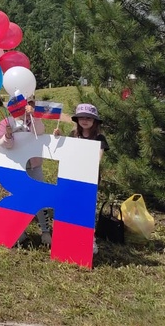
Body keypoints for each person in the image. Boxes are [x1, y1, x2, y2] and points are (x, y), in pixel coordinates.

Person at [0, 94, 51, 245]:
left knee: (39, 197)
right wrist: (7, 135)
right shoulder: (5, 122)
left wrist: (36, 117)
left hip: (34, 165)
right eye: (16, 107)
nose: (20, 109)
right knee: (16, 198)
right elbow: (5, 144)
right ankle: (19, 230)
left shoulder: (32, 120)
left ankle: (45, 231)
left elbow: (39, 132)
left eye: (24, 106)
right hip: (16, 167)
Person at [54, 102, 109, 254]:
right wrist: (58, 137)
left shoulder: (99, 138)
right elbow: (65, 151)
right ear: (77, 120)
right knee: (71, 206)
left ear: (95, 121)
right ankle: (70, 235)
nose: (85, 120)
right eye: (82, 117)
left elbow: (98, 158)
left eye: (89, 118)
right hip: (72, 177)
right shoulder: (73, 135)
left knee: (88, 208)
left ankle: (90, 239)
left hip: (89, 179)